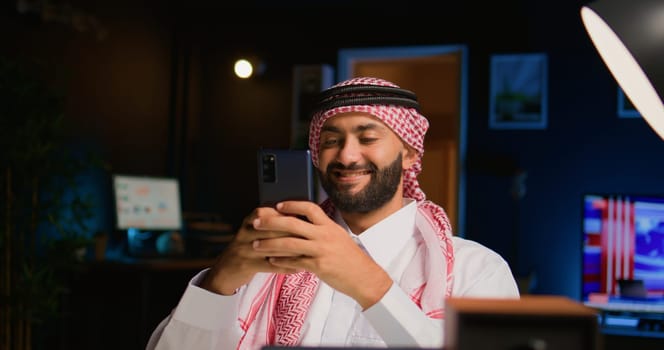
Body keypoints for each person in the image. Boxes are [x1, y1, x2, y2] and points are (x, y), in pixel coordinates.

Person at [146, 77, 519, 350]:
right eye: (331, 140)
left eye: (368, 137)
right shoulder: (266, 260)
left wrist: (370, 286)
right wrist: (219, 282)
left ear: (409, 154)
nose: (346, 155)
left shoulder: (477, 271)